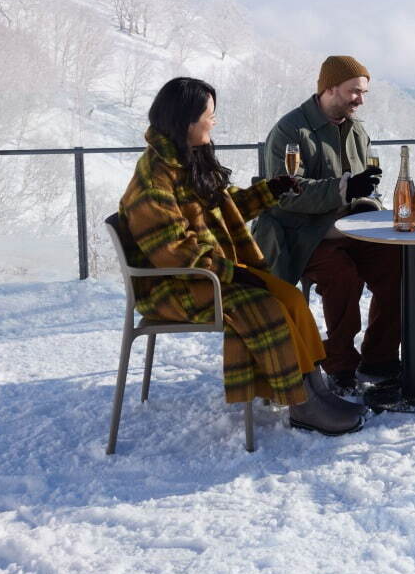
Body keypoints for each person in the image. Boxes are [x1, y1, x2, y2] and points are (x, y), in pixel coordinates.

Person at [119, 77, 366, 435]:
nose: (214, 121)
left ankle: (315, 388)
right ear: (185, 120)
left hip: (208, 273)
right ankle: (301, 405)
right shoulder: (154, 180)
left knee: (291, 297)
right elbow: (174, 252)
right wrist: (232, 273)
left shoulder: (184, 162)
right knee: (267, 306)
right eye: (209, 114)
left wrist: (270, 190)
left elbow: (223, 206)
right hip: (177, 285)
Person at [252, 56, 401, 388]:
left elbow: (366, 187)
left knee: (398, 262)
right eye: (354, 92)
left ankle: (380, 359)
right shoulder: (291, 130)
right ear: (329, 88)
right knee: (341, 274)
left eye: (363, 93)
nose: (361, 100)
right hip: (300, 233)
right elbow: (285, 192)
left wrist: (366, 199)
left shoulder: (357, 131)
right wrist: (345, 187)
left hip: (348, 227)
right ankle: (340, 363)